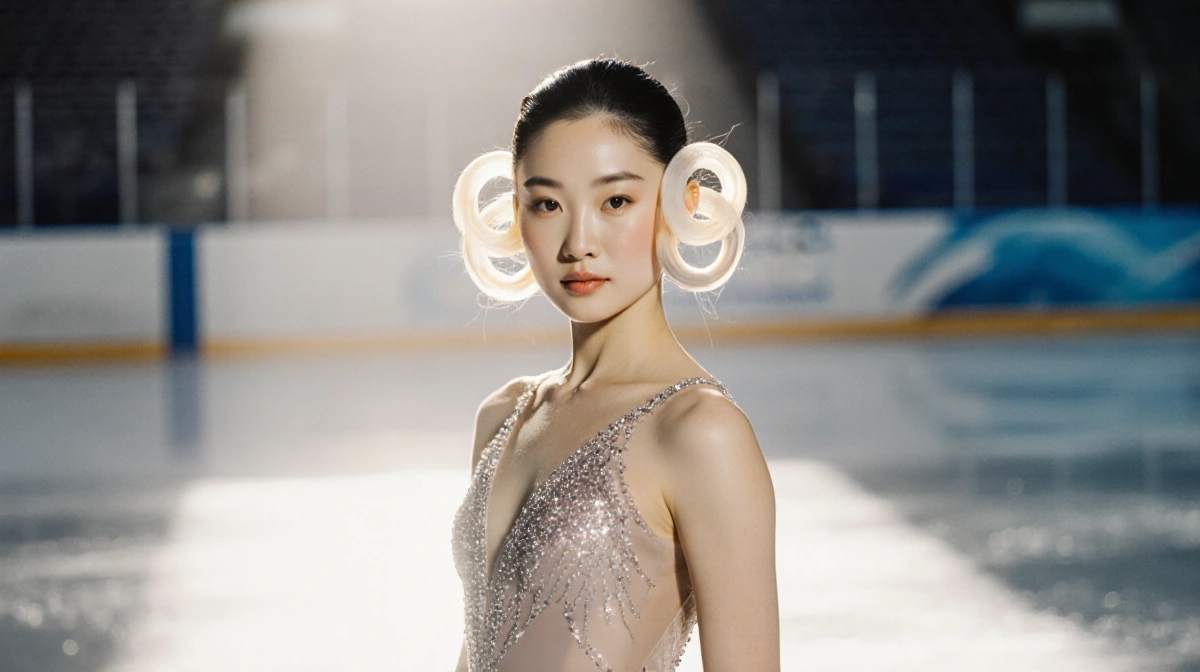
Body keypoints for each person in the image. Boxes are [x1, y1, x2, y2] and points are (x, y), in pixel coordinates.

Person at [450, 58, 779, 672]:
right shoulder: (502, 416)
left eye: (617, 200)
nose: (579, 242)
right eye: (547, 204)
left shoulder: (699, 433)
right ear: (513, 212)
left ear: (684, 202)